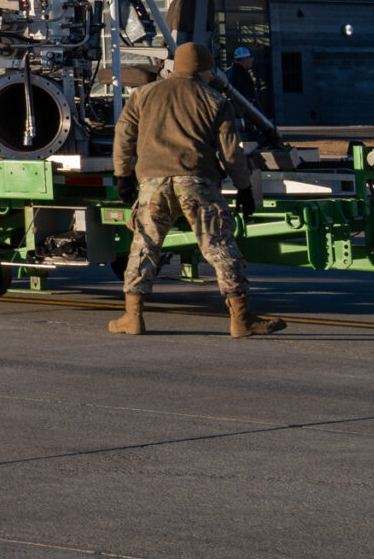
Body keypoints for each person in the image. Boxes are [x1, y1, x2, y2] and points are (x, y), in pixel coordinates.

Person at [110, 42, 281, 337]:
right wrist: (243, 188)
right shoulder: (215, 100)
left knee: (144, 247)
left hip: (152, 184)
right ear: (204, 69)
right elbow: (231, 153)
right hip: (197, 182)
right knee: (219, 248)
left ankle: (132, 317)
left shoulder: (143, 95)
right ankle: (241, 319)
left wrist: (122, 175)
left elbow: (123, 136)